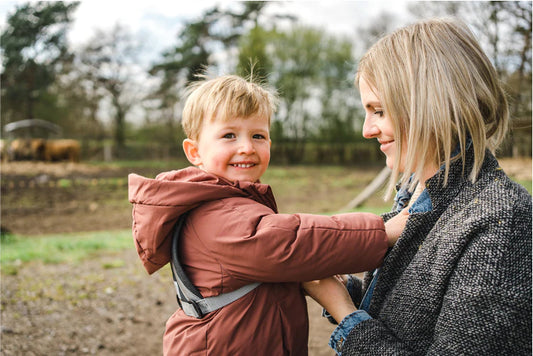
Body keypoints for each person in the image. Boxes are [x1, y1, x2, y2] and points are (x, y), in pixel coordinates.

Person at [128, 74, 408, 355]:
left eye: (258, 136)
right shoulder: (213, 213)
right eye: (229, 135)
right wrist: (382, 232)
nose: (247, 147)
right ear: (194, 151)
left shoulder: (232, 201)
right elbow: (289, 241)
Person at [303, 17, 532, 355]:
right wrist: (343, 290)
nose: (367, 130)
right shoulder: (416, 196)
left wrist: (346, 315)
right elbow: (410, 314)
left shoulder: (502, 220)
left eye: (378, 111)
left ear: (430, 103)